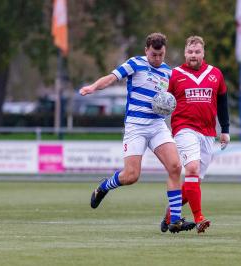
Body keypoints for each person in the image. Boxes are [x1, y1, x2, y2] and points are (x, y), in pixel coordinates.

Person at [79, 32, 196, 233]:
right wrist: (92, 87)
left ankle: (174, 220)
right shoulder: (135, 63)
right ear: (146, 51)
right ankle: (104, 186)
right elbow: (111, 78)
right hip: (136, 127)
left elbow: (177, 99)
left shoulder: (169, 73)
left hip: (157, 126)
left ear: (164, 51)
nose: (157, 59)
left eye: (160, 55)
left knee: (175, 166)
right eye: (153, 55)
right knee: (131, 176)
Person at [160, 36, 230, 233]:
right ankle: (199, 218)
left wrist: (225, 129)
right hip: (184, 129)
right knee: (191, 168)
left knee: (194, 181)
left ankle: (170, 215)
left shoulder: (215, 74)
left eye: (197, 52)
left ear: (203, 53)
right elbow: (163, 100)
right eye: (190, 52)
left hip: (208, 133)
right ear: (185, 53)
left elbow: (223, 101)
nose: (193, 55)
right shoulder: (175, 75)